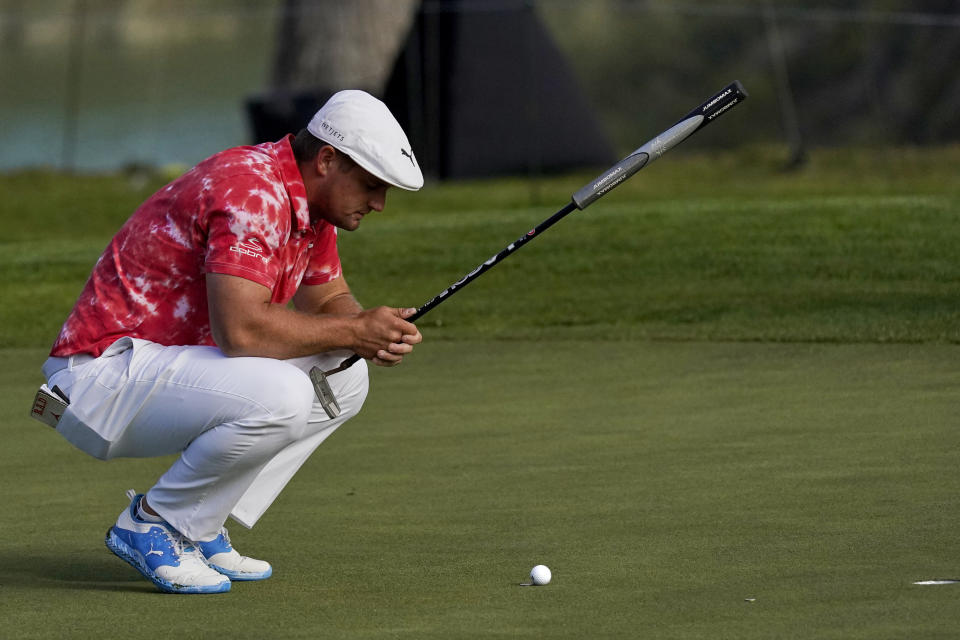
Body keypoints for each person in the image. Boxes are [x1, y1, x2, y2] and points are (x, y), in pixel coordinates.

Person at [36, 90, 424, 594]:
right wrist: (355, 330)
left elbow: (328, 298)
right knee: (284, 394)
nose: (379, 203)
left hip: (160, 372)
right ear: (327, 159)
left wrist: (371, 332)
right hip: (97, 377)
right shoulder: (252, 190)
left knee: (345, 374)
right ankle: (155, 523)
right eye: (372, 185)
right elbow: (242, 333)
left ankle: (199, 522)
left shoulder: (307, 204)